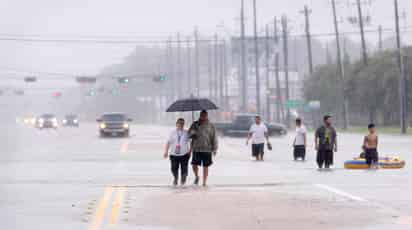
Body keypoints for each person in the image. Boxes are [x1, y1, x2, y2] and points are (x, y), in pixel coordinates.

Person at [188, 110, 218, 187]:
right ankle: (197, 176)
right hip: (196, 148)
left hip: (207, 149)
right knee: (194, 165)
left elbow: (214, 137)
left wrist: (215, 149)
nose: (203, 117)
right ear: (200, 115)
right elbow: (188, 134)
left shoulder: (211, 126)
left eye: (205, 115)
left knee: (206, 166)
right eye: (202, 115)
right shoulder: (195, 124)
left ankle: (204, 182)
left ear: (207, 116)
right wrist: (192, 133)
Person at [164, 118, 191, 186]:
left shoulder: (186, 132)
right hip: (173, 154)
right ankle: (175, 178)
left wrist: (190, 151)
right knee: (173, 168)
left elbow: (191, 142)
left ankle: (183, 181)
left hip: (184, 154)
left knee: (184, 170)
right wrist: (166, 152)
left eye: (182, 123)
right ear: (176, 124)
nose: (181, 125)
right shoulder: (172, 133)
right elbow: (168, 142)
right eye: (179, 123)